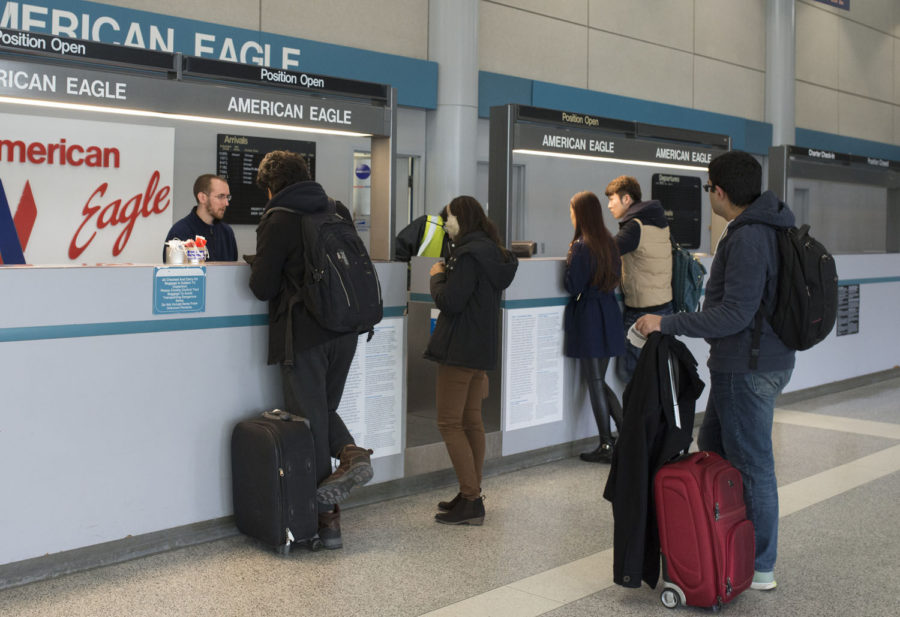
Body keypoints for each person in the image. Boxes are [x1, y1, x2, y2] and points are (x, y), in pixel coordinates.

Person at [635, 150, 796, 591]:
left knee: (751, 464)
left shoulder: (747, 237)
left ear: (719, 191)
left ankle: (759, 565)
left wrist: (667, 322)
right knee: (714, 447)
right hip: (757, 361)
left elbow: (733, 316)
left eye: (709, 189)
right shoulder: (775, 225)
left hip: (747, 365)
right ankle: (724, 544)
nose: (710, 196)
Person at [249, 150, 374, 550]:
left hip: (304, 334)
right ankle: (352, 455)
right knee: (323, 410)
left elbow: (262, 287)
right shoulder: (335, 208)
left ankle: (326, 523)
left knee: (309, 424)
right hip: (346, 329)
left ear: (271, 186)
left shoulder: (278, 216)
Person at [425, 195, 518, 525]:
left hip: (458, 348)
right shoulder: (493, 253)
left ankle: (471, 499)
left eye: (449, 218)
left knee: (449, 423)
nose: (446, 225)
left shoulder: (466, 256)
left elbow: (450, 301)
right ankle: (471, 491)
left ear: (462, 219)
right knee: (471, 421)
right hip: (480, 347)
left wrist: (436, 276)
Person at [564, 191, 625, 463]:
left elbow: (572, 285)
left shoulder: (580, 246)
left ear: (580, 213)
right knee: (600, 380)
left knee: (596, 382)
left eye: (572, 210)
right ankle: (625, 436)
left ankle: (607, 444)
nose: (570, 215)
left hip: (589, 316)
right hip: (610, 313)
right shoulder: (609, 243)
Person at [604, 175, 672, 383]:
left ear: (626, 200)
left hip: (643, 312)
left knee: (631, 374)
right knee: (655, 371)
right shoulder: (659, 222)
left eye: (612, 200)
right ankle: (656, 415)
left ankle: (638, 415)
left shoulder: (635, 226)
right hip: (665, 307)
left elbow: (606, 253)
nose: (608, 206)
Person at [164, 174, 238, 262]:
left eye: (227, 197)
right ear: (202, 198)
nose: (226, 203)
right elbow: (171, 274)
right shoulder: (179, 232)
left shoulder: (227, 232)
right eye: (221, 196)